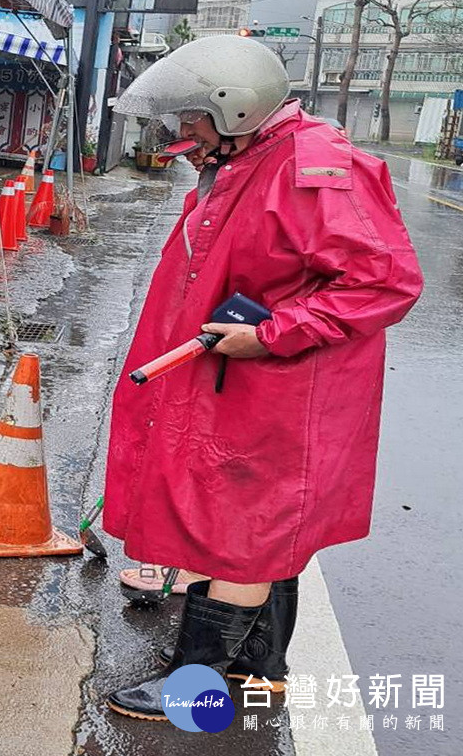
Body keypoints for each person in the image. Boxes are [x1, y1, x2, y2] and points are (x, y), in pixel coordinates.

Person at [102, 35, 423, 721]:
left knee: (243, 535)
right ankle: (259, 668)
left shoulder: (311, 166)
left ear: (236, 109)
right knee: (264, 526)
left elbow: (384, 281)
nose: (179, 132)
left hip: (280, 389)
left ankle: (196, 687)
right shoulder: (255, 156)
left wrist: (272, 334)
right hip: (243, 380)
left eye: (191, 118)